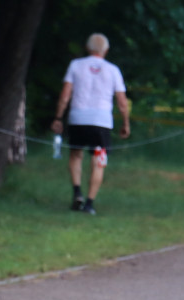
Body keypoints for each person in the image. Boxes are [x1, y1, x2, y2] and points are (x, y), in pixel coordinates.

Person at [50, 33, 130, 215]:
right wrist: (125, 122)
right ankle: (89, 203)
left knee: (76, 155)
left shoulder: (76, 65)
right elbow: (122, 101)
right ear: (106, 50)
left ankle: (77, 192)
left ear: (87, 48)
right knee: (98, 160)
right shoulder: (113, 70)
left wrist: (58, 117)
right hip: (101, 120)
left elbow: (65, 95)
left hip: (78, 117)